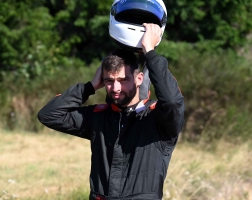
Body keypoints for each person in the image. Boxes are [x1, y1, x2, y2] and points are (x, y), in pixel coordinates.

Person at [38, 23, 184, 200]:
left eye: (123, 80)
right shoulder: (99, 117)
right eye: (109, 80)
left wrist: (150, 52)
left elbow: (171, 100)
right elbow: (49, 115)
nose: (115, 88)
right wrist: (90, 87)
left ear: (139, 79)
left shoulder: (158, 120)